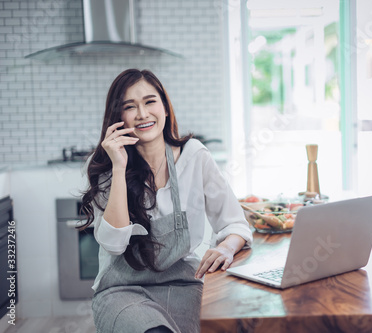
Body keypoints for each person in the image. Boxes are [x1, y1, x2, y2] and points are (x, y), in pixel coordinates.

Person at [80, 69, 253, 333]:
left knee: (232, 326)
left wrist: (227, 248)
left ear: (165, 108)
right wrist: (118, 167)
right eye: (130, 106)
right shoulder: (108, 168)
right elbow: (114, 244)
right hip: (123, 292)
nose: (142, 113)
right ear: (118, 118)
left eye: (150, 101)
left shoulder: (195, 157)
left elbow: (235, 224)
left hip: (185, 285)